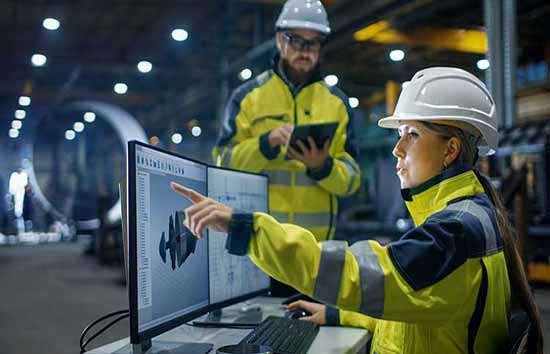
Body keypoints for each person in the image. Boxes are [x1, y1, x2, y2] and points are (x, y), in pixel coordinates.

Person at [172, 67, 544, 353]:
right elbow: (411, 302)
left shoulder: (454, 232)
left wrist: (246, 228)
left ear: (450, 150)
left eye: (411, 134)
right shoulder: (467, 215)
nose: (398, 150)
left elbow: (358, 274)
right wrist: (336, 314)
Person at [212, 0, 361, 243]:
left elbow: (352, 180)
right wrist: (265, 144)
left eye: (313, 43)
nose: (305, 50)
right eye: (296, 40)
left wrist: (323, 166)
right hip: (259, 243)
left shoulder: (337, 104)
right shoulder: (247, 98)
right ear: (280, 40)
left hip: (314, 249)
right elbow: (222, 163)